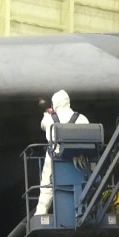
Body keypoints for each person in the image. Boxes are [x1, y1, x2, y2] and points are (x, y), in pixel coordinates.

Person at [34, 89, 87, 217]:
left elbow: (42, 125)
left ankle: (41, 213)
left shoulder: (50, 118)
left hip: (55, 158)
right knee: (85, 182)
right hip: (80, 159)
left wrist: (47, 113)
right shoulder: (82, 118)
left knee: (47, 185)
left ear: (55, 103)